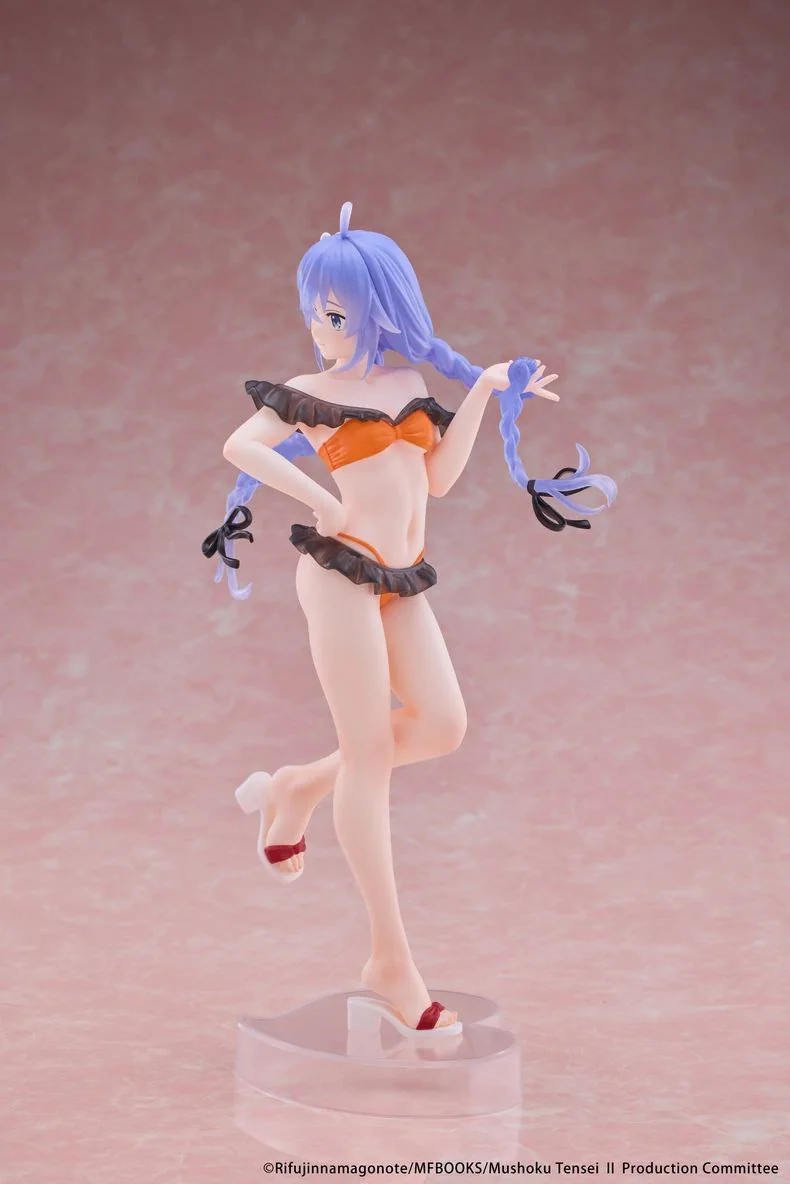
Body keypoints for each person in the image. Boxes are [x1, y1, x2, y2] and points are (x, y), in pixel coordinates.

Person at [204, 202, 617, 1037]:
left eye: (335, 315)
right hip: (339, 576)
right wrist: (320, 499)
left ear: (378, 313)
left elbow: (438, 482)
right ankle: (390, 960)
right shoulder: (308, 395)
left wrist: (486, 390)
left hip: (400, 576)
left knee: (443, 724)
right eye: (315, 313)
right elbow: (238, 446)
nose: (320, 328)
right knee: (370, 762)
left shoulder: (405, 386)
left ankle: (295, 787)